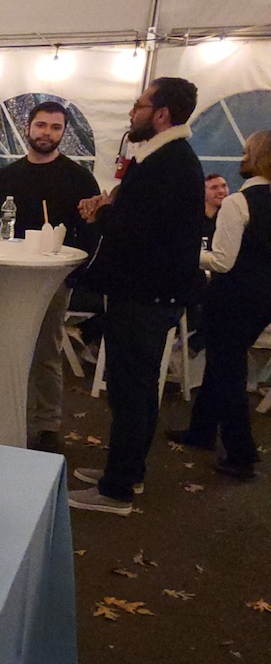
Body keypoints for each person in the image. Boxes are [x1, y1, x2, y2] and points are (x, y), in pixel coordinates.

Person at [69, 77, 205, 515]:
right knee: (140, 389)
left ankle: (117, 489)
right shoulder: (165, 158)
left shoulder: (168, 162)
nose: (132, 112)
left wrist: (102, 212)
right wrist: (111, 207)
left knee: (130, 391)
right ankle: (129, 472)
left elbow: (135, 233)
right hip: (151, 293)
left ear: (161, 114)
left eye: (139, 105)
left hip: (144, 295)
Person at [0, 101, 100, 453]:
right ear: (28, 128)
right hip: (4, 281)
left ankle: (46, 423)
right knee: (1, 348)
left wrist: (76, 276)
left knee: (45, 351)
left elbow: (90, 234)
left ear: (63, 133)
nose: (47, 133)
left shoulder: (78, 178)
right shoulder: (5, 178)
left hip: (51, 283)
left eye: (55, 127)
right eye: (41, 125)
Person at [167, 130, 271, 481]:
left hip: (233, 296)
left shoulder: (237, 203)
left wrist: (184, 254)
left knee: (228, 372)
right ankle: (201, 431)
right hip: (264, 299)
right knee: (221, 362)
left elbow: (223, 261)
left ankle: (242, 455)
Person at [203, 173, 229, 241]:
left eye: (224, 186)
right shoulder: (193, 219)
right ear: (203, 193)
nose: (221, 191)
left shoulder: (231, 218)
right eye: (214, 187)